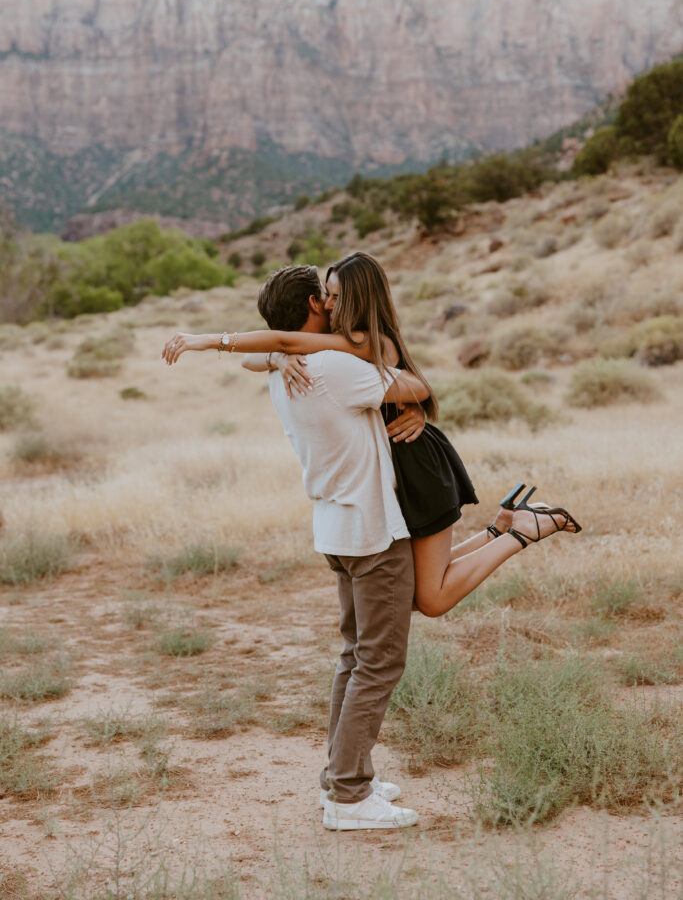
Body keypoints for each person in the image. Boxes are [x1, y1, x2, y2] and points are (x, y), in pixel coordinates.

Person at [161, 263, 581, 829]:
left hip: (334, 531)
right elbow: (416, 386)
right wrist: (409, 400)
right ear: (316, 302)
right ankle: (349, 797)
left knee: (354, 658)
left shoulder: (290, 368)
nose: (333, 304)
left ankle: (342, 775)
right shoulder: (336, 366)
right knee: (379, 664)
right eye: (326, 296)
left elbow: (275, 354)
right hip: (371, 532)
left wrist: (273, 354)